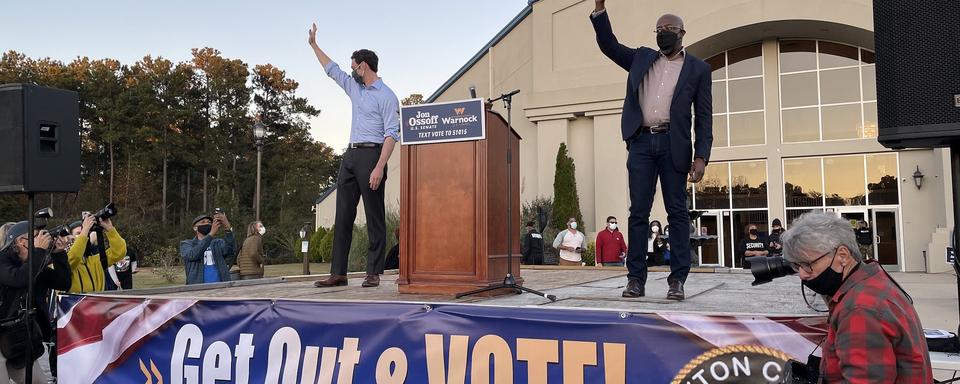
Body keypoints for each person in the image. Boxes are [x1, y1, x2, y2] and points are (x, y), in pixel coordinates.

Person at [590, 0, 712, 300]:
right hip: (642, 142)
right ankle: (635, 280)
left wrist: (701, 156)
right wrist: (600, 9)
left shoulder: (698, 68)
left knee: (677, 213)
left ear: (682, 33)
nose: (662, 34)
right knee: (638, 213)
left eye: (668, 29)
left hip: (675, 145)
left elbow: (705, 117)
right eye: (658, 30)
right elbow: (609, 45)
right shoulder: (642, 58)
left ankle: (677, 280)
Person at [780, 212, 932, 382]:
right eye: (797, 265)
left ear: (842, 256)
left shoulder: (859, 308)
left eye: (807, 265)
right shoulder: (870, 279)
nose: (801, 274)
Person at [308, 23, 400, 289]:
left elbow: (391, 134)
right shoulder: (354, 88)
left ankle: (373, 272)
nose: (351, 71)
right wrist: (314, 45)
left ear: (364, 66)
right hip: (349, 156)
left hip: (372, 157)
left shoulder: (387, 96)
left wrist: (380, 167)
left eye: (354, 67)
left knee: (374, 216)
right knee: (343, 215)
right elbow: (332, 70)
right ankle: (339, 273)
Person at [0, 221, 71, 383]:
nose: (41, 242)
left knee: (39, 381)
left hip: (16, 336)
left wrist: (59, 253)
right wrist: (38, 251)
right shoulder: (2, 259)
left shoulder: (32, 265)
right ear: (21, 242)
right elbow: (18, 278)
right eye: (35, 238)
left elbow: (64, 283)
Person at [66, 214, 128, 293]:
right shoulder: (64, 261)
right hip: (74, 304)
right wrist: (85, 230)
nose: (83, 235)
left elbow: (119, 252)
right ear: (69, 238)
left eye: (86, 233)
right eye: (78, 233)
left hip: (97, 303)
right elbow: (74, 257)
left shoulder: (95, 261)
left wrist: (110, 229)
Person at [180, 213, 235, 285]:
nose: (206, 223)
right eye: (203, 222)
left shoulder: (218, 243)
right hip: (197, 288)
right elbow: (192, 255)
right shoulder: (187, 244)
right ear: (195, 228)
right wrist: (211, 234)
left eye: (209, 222)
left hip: (221, 286)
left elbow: (231, 250)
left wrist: (228, 228)